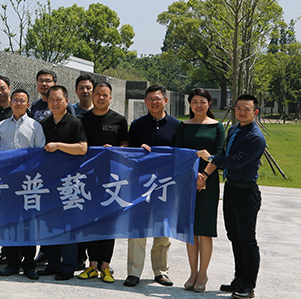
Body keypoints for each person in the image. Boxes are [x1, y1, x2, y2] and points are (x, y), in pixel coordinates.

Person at [196, 95, 265, 299]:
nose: (242, 112)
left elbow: (236, 161)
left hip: (247, 192)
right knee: (234, 236)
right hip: (231, 189)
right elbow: (227, 155)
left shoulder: (256, 137)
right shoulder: (233, 130)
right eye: (238, 108)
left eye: (247, 109)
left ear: (255, 112)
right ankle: (239, 278)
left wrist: (211, 158)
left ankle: (249, 286)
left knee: (247, 240)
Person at [124, 83, 180, 287]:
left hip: (166, 184)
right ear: (145, 102)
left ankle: (161, 271)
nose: (154, 102)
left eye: (158, 98)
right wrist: (138, 149)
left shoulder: (177, 126)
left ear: (166, 100)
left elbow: (182, 154)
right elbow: (128, 153)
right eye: (150, 99)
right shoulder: (137, 125)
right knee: (137, 228)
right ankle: (134, 272)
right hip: (140, 184)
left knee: (163, 230)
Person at [173, 88, 225, 292]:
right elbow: (178, 152)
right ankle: (192, 272)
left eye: (202, 101)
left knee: (205, 230)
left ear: (209, 103)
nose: (198, 105)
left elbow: (219, 153)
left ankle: (203, 273)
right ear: (190, 104)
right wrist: (193, 176)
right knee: (191, 229)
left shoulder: (217, 126)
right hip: (187, 181)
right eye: (195, 101)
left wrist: (203, 175)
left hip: (209, 183)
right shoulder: (183, 126)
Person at [77, 82, 128, 284]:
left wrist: (115, 150)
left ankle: (106, 267)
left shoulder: (119, 120)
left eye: (104, 95)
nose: (100, 97)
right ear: (92, 96)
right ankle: (92, 265)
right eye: (97, 94)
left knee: (108, 222)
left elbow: (125, 145)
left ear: (110, 98)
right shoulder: (82, 120)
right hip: (88, 178)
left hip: (112, 179)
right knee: (91, 221)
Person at [38, 85, 87, 281]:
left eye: (59, 99)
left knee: (68, 225)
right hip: (49, 181)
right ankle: (52, 264)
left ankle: (68, 266)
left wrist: (58, 146)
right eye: (51, 99)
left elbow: (82, 148)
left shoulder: (75, 123)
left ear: (67, 101)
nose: (55, 103)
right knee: (50, 224)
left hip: (69, 181)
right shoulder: (44, 123)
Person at [0, 89, 45, 281]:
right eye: (15, 100)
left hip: (28, 184)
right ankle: (12, 263)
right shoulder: (1, 125)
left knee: (28, 225)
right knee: (9, 223)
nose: (18, 103)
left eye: (22, 100)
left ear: (27, 104)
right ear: (10, 102)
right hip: (7, 183)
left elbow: (40, 154)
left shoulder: (35, 126)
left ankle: (29, 265)